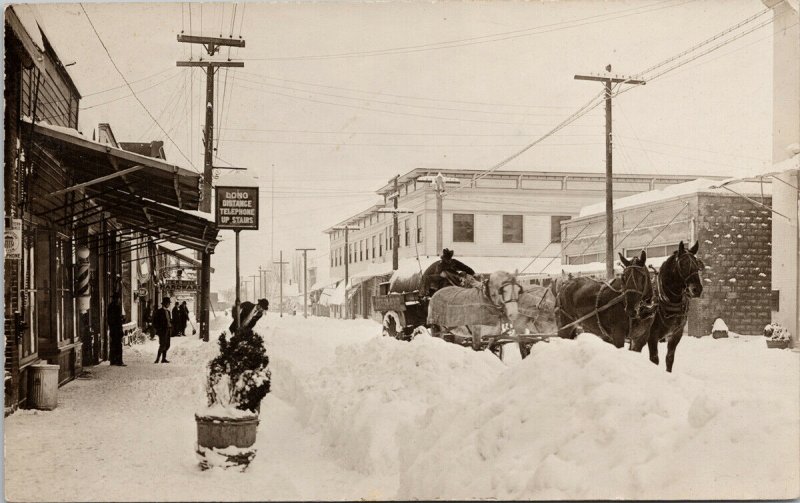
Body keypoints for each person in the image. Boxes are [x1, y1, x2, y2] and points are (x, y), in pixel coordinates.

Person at [107, 291, 126, 366]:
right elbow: (117, 319)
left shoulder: (110, 306)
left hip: (112, 329)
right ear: (117, 299)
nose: (119, 300)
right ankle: (119, 361)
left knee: (113, 345)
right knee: (118, 345)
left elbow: (110, 319)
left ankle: (113, 360)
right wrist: (122, 319)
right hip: (117, 329)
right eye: (118, 298)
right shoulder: (117, 307)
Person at [153, 296, 172, 363]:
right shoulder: (159, 312)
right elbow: (155, 321)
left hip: (168, 329)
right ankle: (157, 359)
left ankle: (163, 359)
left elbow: (169, 320)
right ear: (165, 303)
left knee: (167, 345)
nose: (169, 304)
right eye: (168, 303)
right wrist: (158, 329)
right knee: (162, 344)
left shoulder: (168, 312)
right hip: (162, 331)